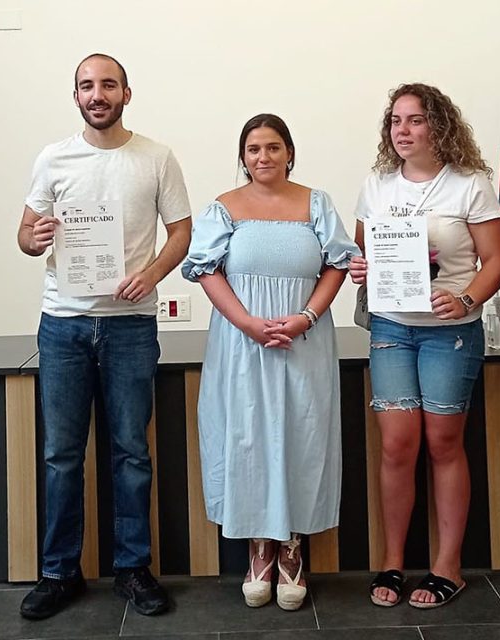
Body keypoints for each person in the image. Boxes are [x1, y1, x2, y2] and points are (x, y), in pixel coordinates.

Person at [15, 53, 192, 620]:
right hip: (63, 324)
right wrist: (35, 235)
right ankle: (58, 572)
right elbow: (23, 235)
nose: (98, 94)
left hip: (130, 328)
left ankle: (133, 569)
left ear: (126, 93)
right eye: (87, 86)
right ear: (76, 97)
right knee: (61, 455)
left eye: (108, 85)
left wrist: (152, 275)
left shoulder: (156, 158)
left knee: (131, 453)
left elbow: (181, 232)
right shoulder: (53, 158)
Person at [182, 113, 357, 611]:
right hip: (242, 344)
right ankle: (259, 547)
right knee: (248, 437)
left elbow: (337, 264)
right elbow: (206, 271)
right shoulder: (224, 208)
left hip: (304, 340)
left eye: (274, 147)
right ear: (243, 156)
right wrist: (248, 324)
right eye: (255, 149)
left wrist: (306, 315)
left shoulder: (315, 203)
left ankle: (293, 548)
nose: (264, 157)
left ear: (289, 152)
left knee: (301, 437)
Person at [348, 83, 500, 609]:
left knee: (443, 443)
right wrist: (359, 267)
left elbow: (497, 261)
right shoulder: (376, 185)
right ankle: (393, 562)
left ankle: (447, 567)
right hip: (392, 327)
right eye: (395, 120)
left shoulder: (470, 185)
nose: (403, 130)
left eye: (415, 120)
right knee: (397, 445)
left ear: (439, 126)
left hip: (450, 332)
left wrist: (465, 299)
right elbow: (362, 253)